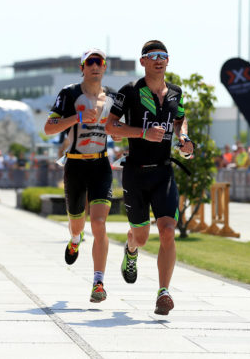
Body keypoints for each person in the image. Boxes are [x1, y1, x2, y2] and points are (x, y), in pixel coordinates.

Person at [105, 40, 194, 316]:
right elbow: (110, 126)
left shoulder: (175, 92)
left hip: (164, 170)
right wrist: (143, 133)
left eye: (163, 56)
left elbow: (180, 118)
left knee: (168, 231)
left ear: (168, 61)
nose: (159, 60)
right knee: (141, 238)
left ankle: (163, 293)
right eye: (153, 56)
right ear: (143, 61)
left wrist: (183, 137)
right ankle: (130, 251)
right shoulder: (130, 91)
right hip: (135, 171)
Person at [44, 48, 116, 303]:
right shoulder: (69, 94)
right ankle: (75, 239)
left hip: (100, 166)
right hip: (74, 166)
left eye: (100, 62)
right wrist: (77, 117)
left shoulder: (113, 98)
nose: (95, 66)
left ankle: (98, 282)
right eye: (90, 62)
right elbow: (48, 128)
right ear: (82, 67)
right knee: (77, 222)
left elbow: (118, 131)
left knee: (99, 223)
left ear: (105, 67)